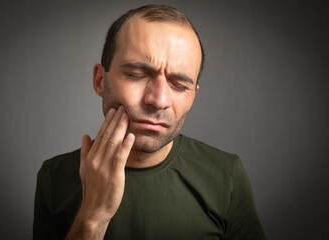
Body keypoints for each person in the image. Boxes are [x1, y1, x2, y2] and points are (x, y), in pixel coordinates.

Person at [33, 4, 265, 240]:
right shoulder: (54, 178)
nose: (159, 100)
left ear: (194, 95)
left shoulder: (226, 176)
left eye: (179, 85)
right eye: (136, 75)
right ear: (100, 80)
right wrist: (93, 216)